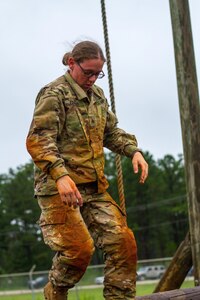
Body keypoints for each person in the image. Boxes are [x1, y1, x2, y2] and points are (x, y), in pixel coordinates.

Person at [26, 40, 148, 300]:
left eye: (97, 73)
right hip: (60, 189)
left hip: (93, 188)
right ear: (72, 63)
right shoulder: (54, 94)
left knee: (123, 244)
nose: (93, 78)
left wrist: (133, 151)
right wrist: (61, 176)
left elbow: (111, 133)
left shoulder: (98, 97)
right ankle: (56, 291)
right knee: (80, 250)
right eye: (88, 72)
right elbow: (39, 140)